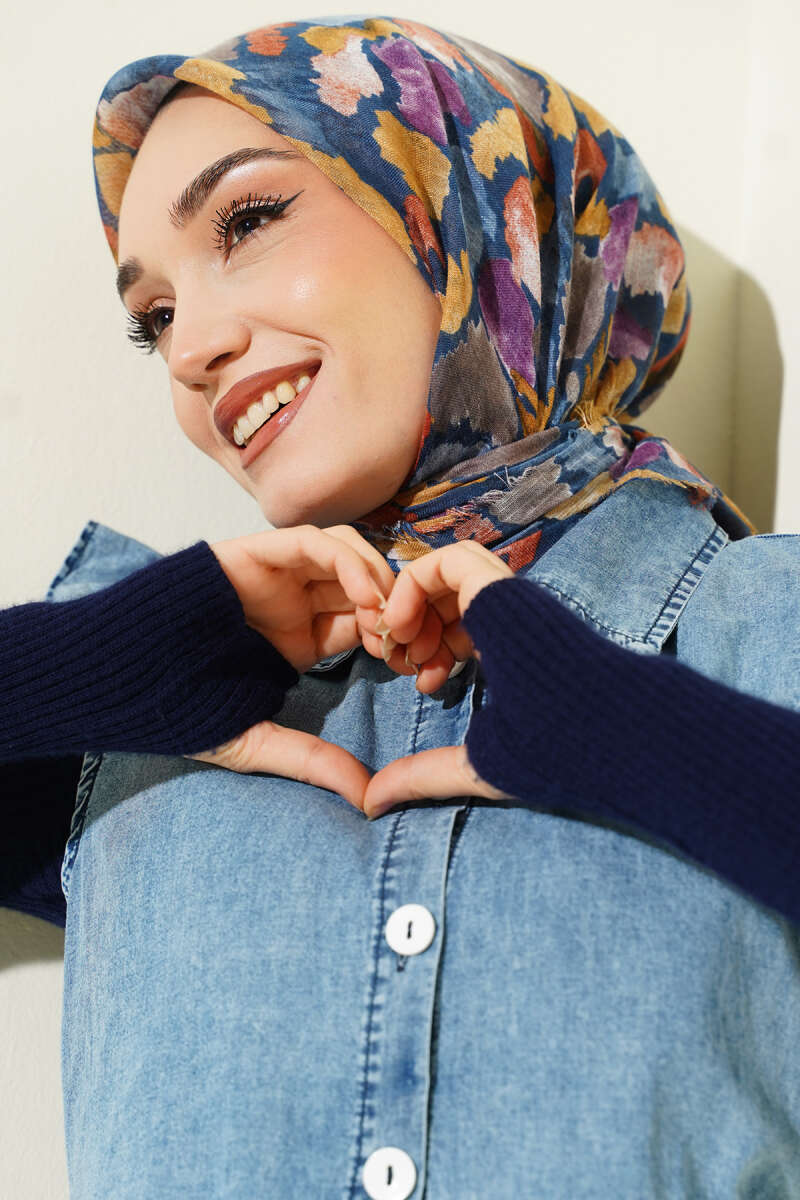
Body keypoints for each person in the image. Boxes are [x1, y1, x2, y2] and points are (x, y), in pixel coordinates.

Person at [9, 14, 800, 1196]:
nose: (187, 352)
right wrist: (100, 656)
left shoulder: (764, 624)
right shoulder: (141, 739)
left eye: (247, 221)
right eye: (153, 317)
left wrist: (628, 730)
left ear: (463, 210)